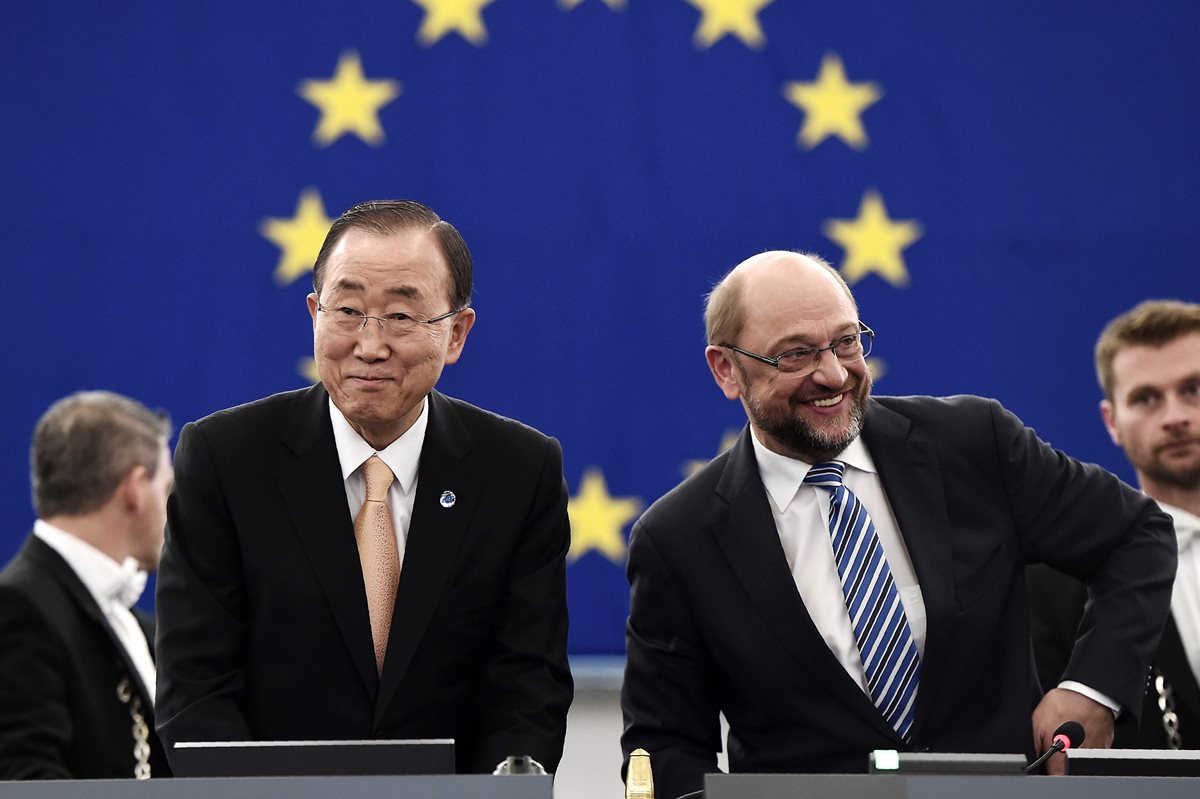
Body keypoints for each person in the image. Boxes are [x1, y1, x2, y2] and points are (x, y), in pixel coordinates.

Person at [620, 250, 1176, 798]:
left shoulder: (974, 442)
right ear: (726, 369)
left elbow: (1135, 534)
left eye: (846, 341)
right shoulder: (678, 540)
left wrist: (1092, 689)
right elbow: (663, 747)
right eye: (795, 355)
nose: (834, 374)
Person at [154, 199, 572, 775]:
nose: (370, 344)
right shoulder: (225, 461)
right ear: (313, 314)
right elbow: (196, 686)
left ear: (456, 333)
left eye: (401, 317)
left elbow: (528, 689)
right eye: (347, 310)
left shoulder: (519, 472)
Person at [1030, 300, 1200, 749]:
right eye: (1146, 398)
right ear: (1112, 422)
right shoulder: (1055, 583)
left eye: (1194, 389)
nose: (1175, 417)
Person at [0, 391, 173, 780]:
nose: (173, 510)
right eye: (166, 489)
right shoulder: (17, 609)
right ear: (135, 489)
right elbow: (23, 779)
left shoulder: (137, 626)